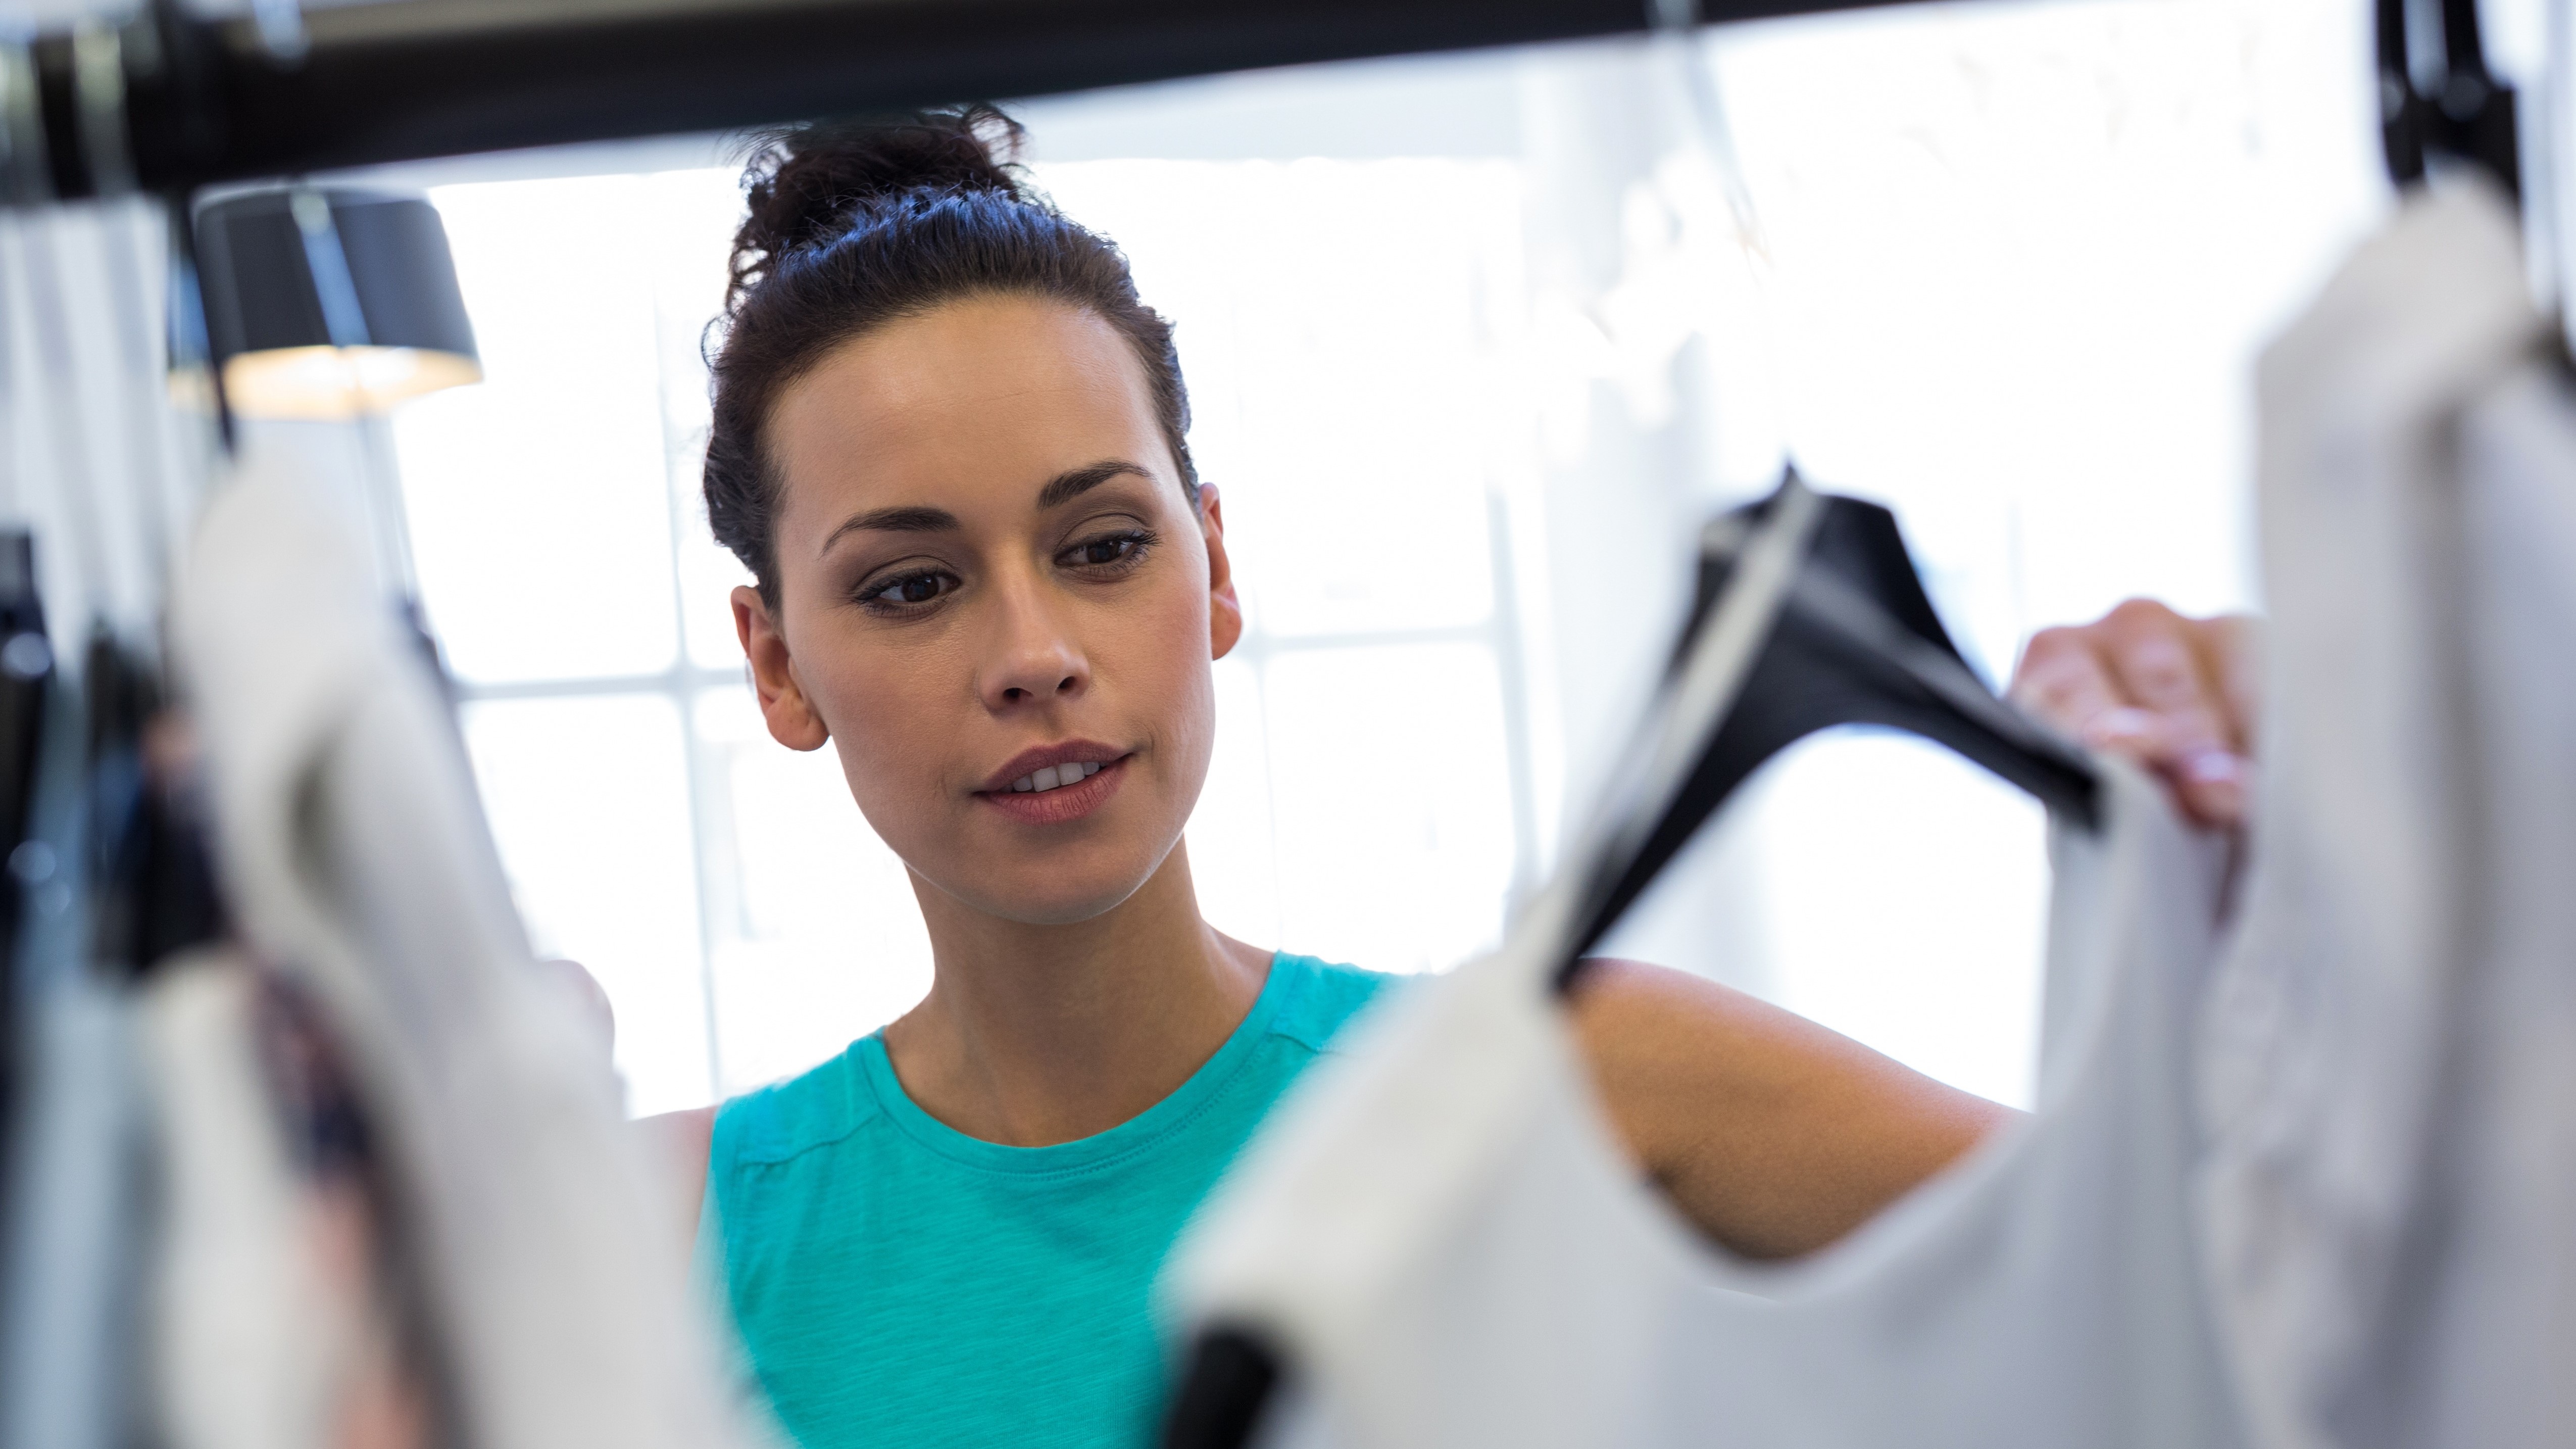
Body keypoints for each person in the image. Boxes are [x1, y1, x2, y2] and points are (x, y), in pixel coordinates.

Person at [636, 105, 2261, 1448]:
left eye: (1103, 543)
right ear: (777, 662)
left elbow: (2271, 1302)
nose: (1032, 649)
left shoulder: (1587, 1082)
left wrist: (2285, 858)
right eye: (911, 584)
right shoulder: (655, 1232)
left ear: (1212, 569)